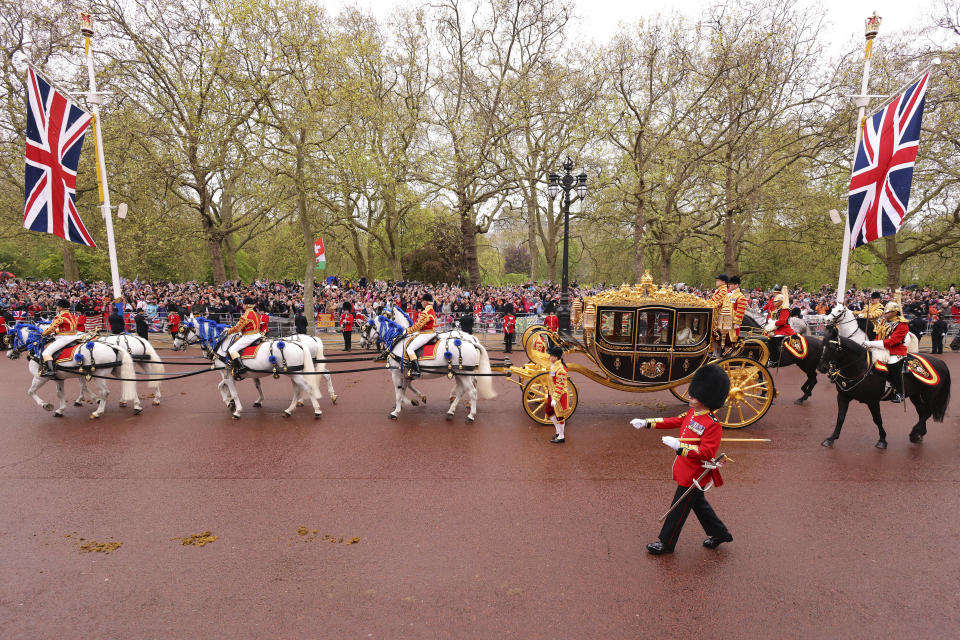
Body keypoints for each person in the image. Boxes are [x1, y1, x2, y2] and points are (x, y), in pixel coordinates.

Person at [630, 364, 732, 555]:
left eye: (695, 395)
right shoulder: (692, 412)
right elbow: (674, 421)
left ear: (707, 398)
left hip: (695, 474)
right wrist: (647, 423)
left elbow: (706, 453)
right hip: (684, 469)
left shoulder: (713, 425)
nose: (690, 396)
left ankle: (666, 543)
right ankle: (721, 533)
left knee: (678, 508)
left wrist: (680, 447)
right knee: (699, 505)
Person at [863, 301, 910, 403]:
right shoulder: (884, 321)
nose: (885, 313)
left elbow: (893, 341)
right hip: (882, 348)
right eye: (885, 311)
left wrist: (872, 344)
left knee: (892, 364)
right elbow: (878, 336)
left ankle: (899, 392)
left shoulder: (902, 324)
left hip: (895, 350)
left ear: (895, 312)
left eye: (888, 312)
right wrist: (871, 344)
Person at [40, 299, 79, 377]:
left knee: (46, 353)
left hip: (65, 338)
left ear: (61, 307)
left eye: (57, 306)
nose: (57, 307)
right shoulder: (73, 316)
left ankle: (50, 371)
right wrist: (57, 332)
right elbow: (69, 328)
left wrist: (43, 334)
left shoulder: (60, 316)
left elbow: (51, 328)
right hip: (75, 336)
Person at [404, 292, 437, 377]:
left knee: (409, 349)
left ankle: (416, 370)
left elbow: (418, 326)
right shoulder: (431, 310)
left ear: (426, 302)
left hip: (426, 334)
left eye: (422, 301)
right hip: (429, 332)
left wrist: (408, 331)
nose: (421, 303)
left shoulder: (425, 312)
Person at [225, 297, 261, 374]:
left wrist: (228, 331)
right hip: (258, 335)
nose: (242, 305)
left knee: (232, 349)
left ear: (247, 305)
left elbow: (237, 328)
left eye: (243, 304)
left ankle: (242, 367)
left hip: (249, 337)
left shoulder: (246, 315)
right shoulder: (256, 314)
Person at [545, 345, 569, 443]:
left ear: (556, 357)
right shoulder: (555, 366)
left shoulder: (560, 370)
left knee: (560, 415)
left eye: (551, 356)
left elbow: (560, 386)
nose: (549, 357)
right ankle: (558, 431)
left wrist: (555, 398)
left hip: (559, 396)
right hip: (552, 393)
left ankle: (561, 436)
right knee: (549, 411)